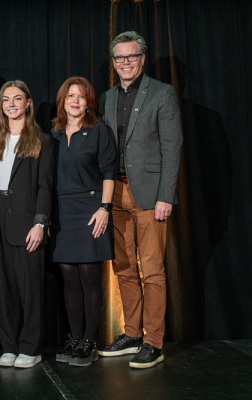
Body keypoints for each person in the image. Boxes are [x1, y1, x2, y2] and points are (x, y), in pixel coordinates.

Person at [98, 31, 182, 369]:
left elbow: (172, 147)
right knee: (123, 268)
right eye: (120, 58)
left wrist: (166, 196)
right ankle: (131, 333)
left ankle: (153, 342)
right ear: (114, 62)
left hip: (149, 196)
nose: (125, 63)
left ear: (142, 59)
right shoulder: (105, 97)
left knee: (152, 271)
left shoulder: (162, 93)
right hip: (114, 193)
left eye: (131, 57)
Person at [0, 80, 54, 369]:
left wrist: (40, 222)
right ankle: (9, 345)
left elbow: (46, 186)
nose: (11, 104)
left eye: (17, 99)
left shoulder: (43, 141)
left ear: (28, 103)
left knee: (30, 288)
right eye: (5, 100)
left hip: (27, 220)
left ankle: (30, 347)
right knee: (6, 288)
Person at [50, 77, 117, 367]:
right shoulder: (52, 133)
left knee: (89, 276)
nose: (75, 101)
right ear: (62, 101)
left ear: (89, 101)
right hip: (62, 211)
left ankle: (90, 340)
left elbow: (109, 172)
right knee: (68, 276)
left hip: (91, 209)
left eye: (81, 96)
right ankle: (75, 337)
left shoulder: (99, 130)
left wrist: (104, 208)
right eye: (70, 96)